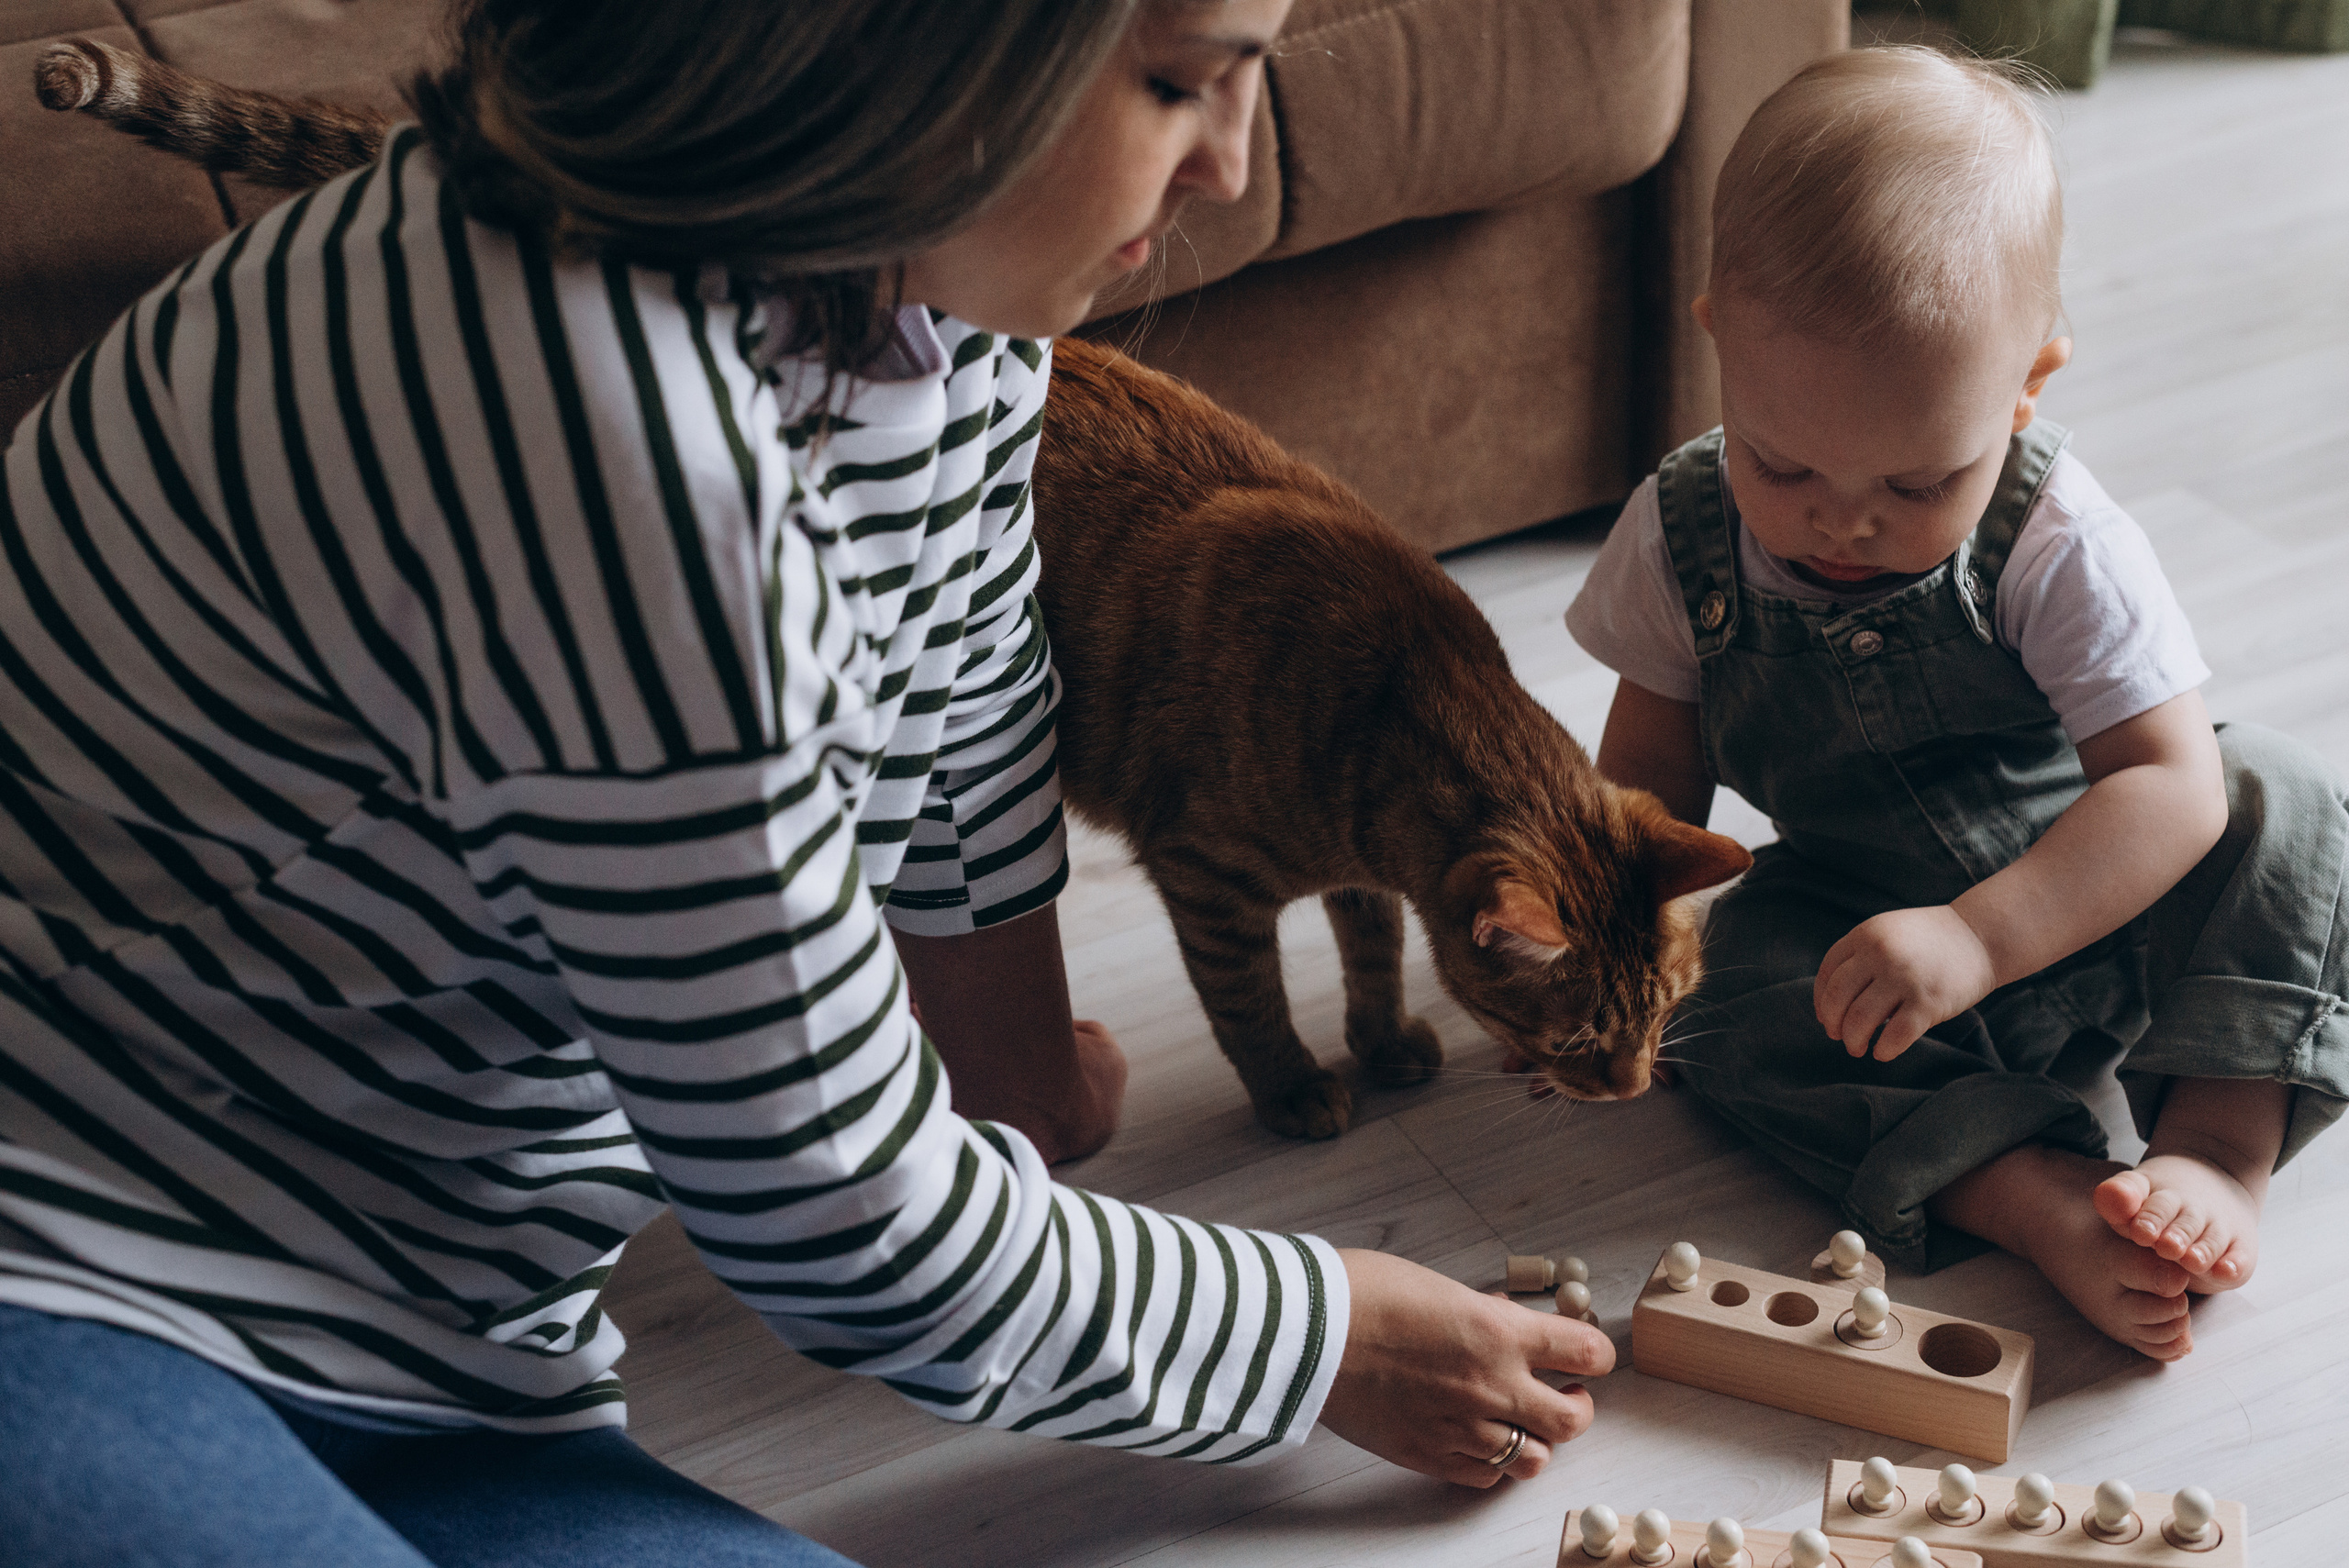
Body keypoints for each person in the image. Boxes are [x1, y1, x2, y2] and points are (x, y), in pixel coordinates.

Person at [0, 2, 1614, 1563]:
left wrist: (1019, 1068)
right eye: (1185, 82)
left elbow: (971, 679)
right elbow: (841, 1226)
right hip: (59, 1258)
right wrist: (1324, 1337)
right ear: (940, 51)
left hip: (451, 1333)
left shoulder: (938, 315)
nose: (1233, 164)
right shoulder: (626, 454)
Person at [1568, 47, 2346, 1362]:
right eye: (1783, 459)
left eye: (1920, 483)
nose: (1844, 521)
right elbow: (1649, 774)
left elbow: (2169, 784)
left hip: (2106, 901)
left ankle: (2214, 1142)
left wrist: (1985, 938)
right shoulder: (1678, 535)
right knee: (1730, 987)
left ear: (2029, 385)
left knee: (2284, 799)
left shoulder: (2055, 541)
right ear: (1717, 344)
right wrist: (1611, 929)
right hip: (1865, 938)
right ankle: (2028, 1189)